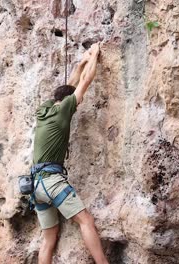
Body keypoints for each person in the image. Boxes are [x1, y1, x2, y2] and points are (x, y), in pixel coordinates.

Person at [31, 43, 109, 264]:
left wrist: (81, 62)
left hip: (35, 186)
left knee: (49, 239)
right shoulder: (64, 111)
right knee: (86, 221)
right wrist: (94, 54)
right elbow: (83, 82)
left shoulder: (44, 109)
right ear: (67, 102)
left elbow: (71, 84)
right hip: (52, 181)